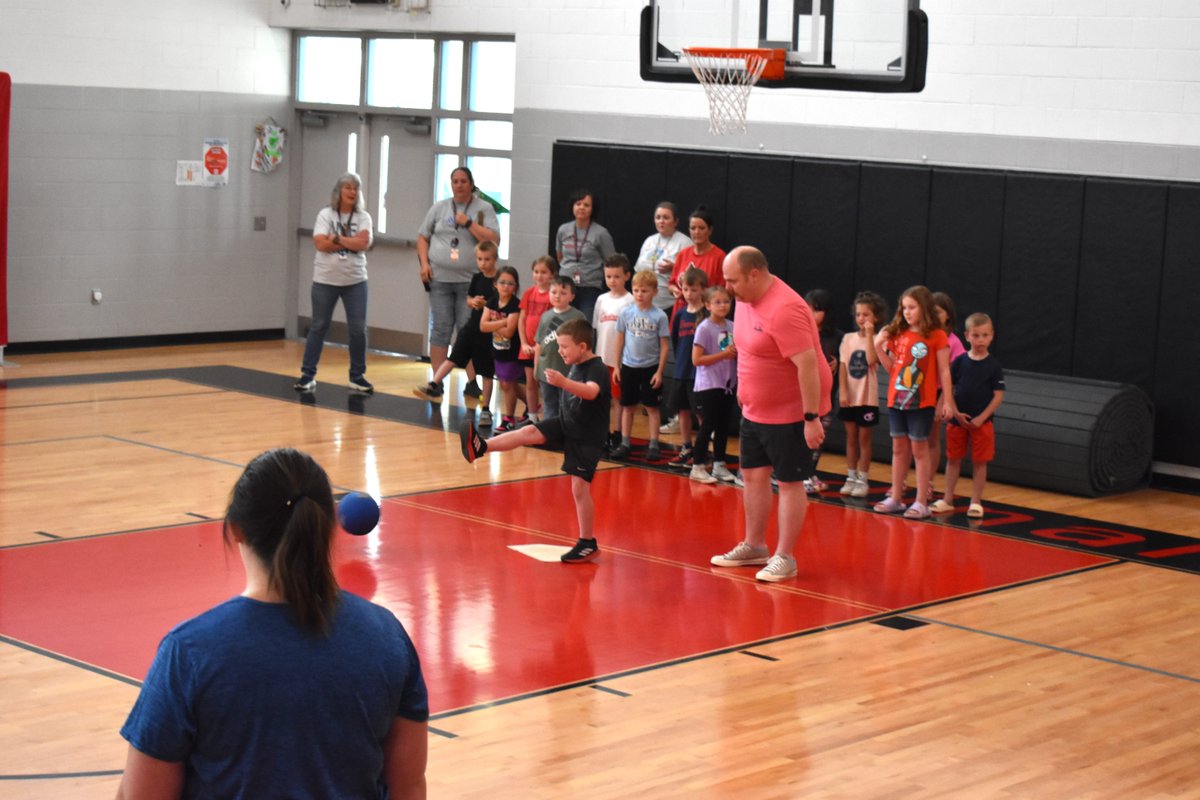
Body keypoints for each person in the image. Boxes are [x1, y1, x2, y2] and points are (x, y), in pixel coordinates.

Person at [116, 448, 428, 799]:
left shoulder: (189, 652)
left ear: (236, 530)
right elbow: (409, 787)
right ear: (329, 528)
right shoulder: (386, 637)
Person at [709, 247, 832, 582]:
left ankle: (785, 556)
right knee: (753, 476)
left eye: (733, 280)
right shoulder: (746, 300)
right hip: (755, 410)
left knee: (790, 482)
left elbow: (807, 364)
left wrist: (811, 417)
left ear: (754, 274)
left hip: (791, 412)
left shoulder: (785, 309)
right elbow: (750, 351)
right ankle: (755, 545)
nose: (728, 288)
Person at [460, 319, 611, 564]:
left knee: (579, 489)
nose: (560, 351)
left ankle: (587, 543)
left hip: (586, 436)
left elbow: (592, 391)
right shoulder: (575, 363)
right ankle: (481, 446)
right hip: (566, 423)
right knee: (529, 433)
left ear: (582, 346)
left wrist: (564, 383)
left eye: (564, 346)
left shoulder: (596, 367)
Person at [872, 285, 959, 520]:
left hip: (921, 402)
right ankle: (896, 497)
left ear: (924, 307)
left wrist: (948, 401)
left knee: (919, 450)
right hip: (896, 400)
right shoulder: (899, 334)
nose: (907, 312)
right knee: (898, 448)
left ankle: (921, 501)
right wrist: (878, 346)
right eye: (904, 308)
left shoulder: (936, 335)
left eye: (912, 307)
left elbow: (945, 371)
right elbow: (892, 370)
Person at [417, 166, 501, 381]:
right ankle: (437, 381)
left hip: (470, 281)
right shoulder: (439, 208)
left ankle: (472, 382)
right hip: (440, 280)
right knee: (441, 328)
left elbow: (493, 240)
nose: (459, 185)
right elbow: (422, 238)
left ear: (471, 184)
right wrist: (424, 264)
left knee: (468, 331)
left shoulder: (484, 209)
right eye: (455, 181)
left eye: (463, 181)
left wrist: (469, 223)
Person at [294, 173, 375, 394]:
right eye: (347, 188)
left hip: (356, 280)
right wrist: (349, 241)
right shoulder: (325, 214)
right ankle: (307, 375)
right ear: (338, 192)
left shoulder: (364, 217)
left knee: (358, 329)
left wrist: (336, 239)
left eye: (355, 188)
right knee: (319, 325)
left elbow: (363, 243)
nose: (352, 192)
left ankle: (357, 376)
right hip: (325, 279)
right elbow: (320, 243)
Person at [412, 241, 499, 419]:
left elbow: (502, 302)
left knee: (487, 372)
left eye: (487, 259)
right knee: (454, 357)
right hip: (472, 327)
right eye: (480, 259)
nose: (483, 263)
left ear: (495, 259)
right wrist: (473, 302)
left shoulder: (499, 281)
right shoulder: (476, 278)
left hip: (488, 332)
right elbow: (468, 299)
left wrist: (487, 304)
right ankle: (434, 384)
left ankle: (486, 408)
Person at [930, 313, 1005, 518]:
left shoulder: (994, 367)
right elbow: (949, 387)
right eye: (976, 335)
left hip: (982, 423)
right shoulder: (960, 361)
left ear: (991, 336)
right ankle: (947, 498)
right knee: (953, 459)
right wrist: (952, 410)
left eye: (984, 335)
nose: (980, 340)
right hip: (957, 420)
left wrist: (982, 417)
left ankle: (976, 501)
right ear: (967, 336)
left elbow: (998, 396)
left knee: (980, 462)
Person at [610, 270, 670, 462]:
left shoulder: (659, 316)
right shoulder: (626, 313)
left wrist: (660, 371)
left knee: (652, 407)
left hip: (651, 367)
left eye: (644, 291)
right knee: (627, 406)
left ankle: (654, 443)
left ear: (654, 292)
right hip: (629, 366)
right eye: (636, 290)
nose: (639, 294)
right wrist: (617, 366)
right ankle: (625, 442)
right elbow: (619, 340)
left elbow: (664, 344)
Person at [838, 291, 888, 498]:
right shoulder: (848, 339)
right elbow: (842, 365)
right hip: (849, 396)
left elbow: (870, 361)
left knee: (864, 439)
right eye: (859, 314)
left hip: (867, 398)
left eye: (866, 314)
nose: (861, 319)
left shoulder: (878, 339)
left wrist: (869, 336)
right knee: (850, 437)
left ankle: (863, 478)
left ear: (875, 317)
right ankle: (850, 476)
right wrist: (842, 390)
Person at [689, 285, 738, 484]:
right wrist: (724, 355)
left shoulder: (733, 326)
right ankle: (697, 466)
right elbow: (697, 360)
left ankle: (719, 464)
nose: (723, 305)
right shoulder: (704, 328)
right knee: (707, 425)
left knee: (723, 425)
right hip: (709, 384)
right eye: (718, 302)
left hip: (728, 383)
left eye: (726, 301)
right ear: (708, 305)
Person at [926, 291, 968, 496]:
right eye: (930, 311)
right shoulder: (923, 335)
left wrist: (943, 401)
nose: (934, 315)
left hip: (938, 393)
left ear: (948, 315)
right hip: (918, 391)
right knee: (910, 439)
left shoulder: (954, 342)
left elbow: (951, 377)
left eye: (938, 312)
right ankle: (904, 480)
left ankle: (928, 482)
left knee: (931, 439)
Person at [666, 267, 708, 471]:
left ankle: (702, 452)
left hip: (700, 375)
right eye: (685, 289)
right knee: (682, 412)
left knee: (701, 415)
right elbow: (675, 339)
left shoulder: (707, 314)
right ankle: (686, 448)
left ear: (703, 290)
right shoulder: (681, 313)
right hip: (681, 371)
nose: (689, 294)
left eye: (693, 289)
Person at [802, 288, 843, 493]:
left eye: (817, 310)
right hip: (804, 396)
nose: (812, 314)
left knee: (819, 438)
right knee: (802, 437)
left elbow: (845, 361)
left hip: (826, 396)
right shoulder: (800, 333)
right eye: (808, 309)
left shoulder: (836, 337)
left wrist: (839, 363)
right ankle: (801, 474)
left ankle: (810, 473)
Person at [592, 253, 635, 451]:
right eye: (608, 276)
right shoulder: (601, 299)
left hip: (619, 359)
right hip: (601, 357)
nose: (612, 280)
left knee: (617, 398)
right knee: (602, 399)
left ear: (627, 276)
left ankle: (618, 433)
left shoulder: (630, 301)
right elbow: (596, 328)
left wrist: (621, 360)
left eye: (617, 276)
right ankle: (603, 433)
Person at [556, 188, 616, 323]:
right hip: (565, 286)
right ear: (572, 206)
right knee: (563, 325)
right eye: (578, 204)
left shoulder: (601, 233)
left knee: (585, 325)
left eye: (586, 205)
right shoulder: (563, 230)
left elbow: (611, 262)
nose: (581, 207)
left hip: (590, 288)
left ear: (593, 208)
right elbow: (560, 256)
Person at [534, 276, 587, 421]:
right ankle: (551, 435)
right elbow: (539, 344)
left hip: (569, 372)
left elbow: (583, 346)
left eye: (563, 293)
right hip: (547, 370)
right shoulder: (545, 316)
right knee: (550, 404)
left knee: (569, 405)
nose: (557, 296)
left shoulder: (578, 316)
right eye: (554, 292)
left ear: (572, 296)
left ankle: (568, 434)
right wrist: (536, 368)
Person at [481, 266, 524, 433]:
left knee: (507, 384)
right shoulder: (492, 302)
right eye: (502, 282)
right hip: (497, 350)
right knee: (508, 384)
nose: (506, 286)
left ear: (516, 286)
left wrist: (493, 324)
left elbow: (508, 332)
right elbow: (482, 326)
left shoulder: (515, 305)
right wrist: (502, 322)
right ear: (495, 284)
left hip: (512, 352)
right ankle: (533, 405)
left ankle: (509, 418)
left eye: (510, 283)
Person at [517, 255, 559, 423]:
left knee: (545, 384)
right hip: (527, 347)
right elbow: (522, 319)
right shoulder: (528, 293)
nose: (539, 276)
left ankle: (551, 419)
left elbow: (553, 324)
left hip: (544, 348)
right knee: (530, 382)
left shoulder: (553, 295)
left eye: (544, 272)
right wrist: (524, 343)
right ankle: (532, 417)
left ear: (552, 274)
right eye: (536, 272)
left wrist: (539, 345)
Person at [633, 201, 692, 315]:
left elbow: (693, 276)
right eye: (658, 217)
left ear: (675, 221)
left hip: (670, 305)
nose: (661, 221)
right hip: (645, 304)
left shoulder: (685, 243)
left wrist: (674, 268)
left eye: (666, 217)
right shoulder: (649, 241)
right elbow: (638, 272)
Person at [668, 206, 726, 319]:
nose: (697, 232)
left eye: (701, 228)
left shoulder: (719, 257)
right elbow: (671, 284)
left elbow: (723, 292)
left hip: (705, 316)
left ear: (710, 230)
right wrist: (676, 291)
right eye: (693, 228)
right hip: (681, 315)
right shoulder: (683, 254)